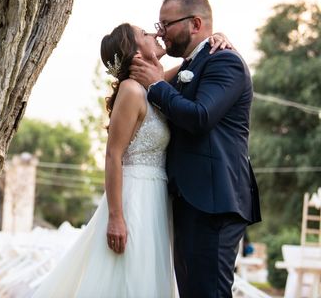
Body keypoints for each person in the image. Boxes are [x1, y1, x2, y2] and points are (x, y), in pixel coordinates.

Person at [31, 23, 231, 297]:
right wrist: (115, 217)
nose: (156, 34)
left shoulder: (153, 87)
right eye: (146, 35)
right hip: (134, 197)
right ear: (136, 54)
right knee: (128, 277)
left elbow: (193, 67)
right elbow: (113, 154)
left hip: (157, 198)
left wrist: (214, 40)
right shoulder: (131, 90)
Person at [129, 0, 261, 298]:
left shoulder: (224, 61)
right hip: (189, 200)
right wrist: (159, 81)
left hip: (214, 200)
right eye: (157, 26)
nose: (161, 33)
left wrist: (158, 85)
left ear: (195, 23)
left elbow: (201, 117)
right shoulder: (195, 64)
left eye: (166, 24)